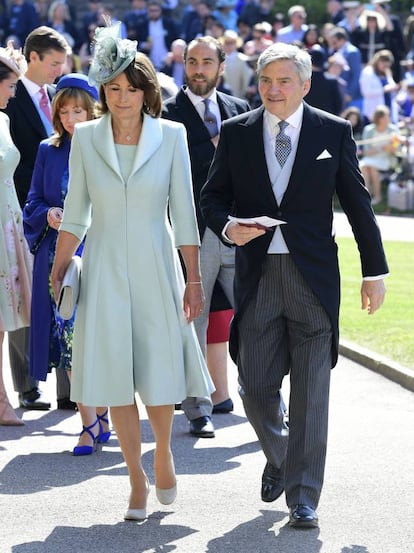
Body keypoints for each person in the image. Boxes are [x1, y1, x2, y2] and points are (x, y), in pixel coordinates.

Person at [200, 42, 388, 529]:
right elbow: (212, 198)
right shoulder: (237, 132)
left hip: (314, 281)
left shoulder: (334, 130)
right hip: (258, 277)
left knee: (311, 395)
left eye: (284, 81)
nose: (273, 89)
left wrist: (374, 271)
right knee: (255, 387)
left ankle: (303, 496)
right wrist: (227, 227)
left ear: (305, 85)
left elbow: (358, 204)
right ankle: (281, 456)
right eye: (265, 80)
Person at [51, 22, 214, 520]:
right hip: (101, 268)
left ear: (147, 92)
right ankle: (136, 479)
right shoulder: (86, 139)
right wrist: (59, 269)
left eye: (132, 88)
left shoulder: (173, 135)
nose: (123, 98)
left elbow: (184, 212)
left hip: (157, 264)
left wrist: (193, 278)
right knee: (116, 374)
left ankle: (163, 452)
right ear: (103, 89)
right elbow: (76, 211)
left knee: (159, 369)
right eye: (114, 88)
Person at [162, 36, 250, 437]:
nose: (198, 69)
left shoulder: (239, 109)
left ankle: (265, 396)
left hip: (239, 231)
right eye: (191, 61)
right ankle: (197, 406)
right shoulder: (165, 113)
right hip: (191, 233)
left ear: (221, 64)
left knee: (254, 318)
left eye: (206, 62)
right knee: (193, 319)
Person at [23, 73, 110, 454]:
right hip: (60, 258)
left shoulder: (109, 147)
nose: (72, 117)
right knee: (69, 340)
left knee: (104, 340)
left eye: (79, 109)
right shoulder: (48, 149)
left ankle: (104, 414)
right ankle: (88, 422)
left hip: (102, 253)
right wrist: (50, 214)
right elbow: (32, 202)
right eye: (65, 110)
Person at [3, 26, 72, 411]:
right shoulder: (8, 100)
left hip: (64, 213)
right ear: (33, 58)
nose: (58, 70)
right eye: (53, 63)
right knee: (23, 295)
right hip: (21, 211)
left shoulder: (59, 98)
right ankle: (27, 385)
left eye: (62, 64)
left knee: (66, 291)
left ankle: (68, 387)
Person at [0, 42, 32, 426]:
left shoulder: (4, 120)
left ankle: (3, 399)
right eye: (10, 85)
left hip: (9, 220)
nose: (13, 91)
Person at [359, 104, 401, 205]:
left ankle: (377, 196)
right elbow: (366, 152)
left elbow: (396, 149)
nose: (388, 119)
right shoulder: (368, 130)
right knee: (365, 167)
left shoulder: (394, 130)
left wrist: (391, 147)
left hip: (387, 159)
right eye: (386, 116)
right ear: (379, 118)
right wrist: (382, 148)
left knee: (372, 168)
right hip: (370, 158)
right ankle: (366, 195)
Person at [359, 49, 399, 123]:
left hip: (388, 111)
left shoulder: (387, 72)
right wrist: (383, 90)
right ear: (378, 61)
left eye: (387, 65)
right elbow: (366, 92)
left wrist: (395, 88)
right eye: (384, 65)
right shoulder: (367, 72)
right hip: (372, 113)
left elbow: (391, 86)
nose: (385, 67)